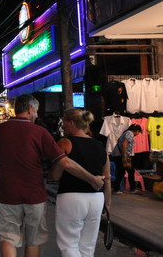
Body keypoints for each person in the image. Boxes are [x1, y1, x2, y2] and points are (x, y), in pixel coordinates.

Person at [0, 94, 105, 257]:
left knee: (8, 237)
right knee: (34, 239)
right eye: (36, 111)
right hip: (35, 195)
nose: (36, 115)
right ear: (29, 109)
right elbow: (65, 163)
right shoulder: (40, 132)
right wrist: (92, 179)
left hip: (8, 194)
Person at [48, 108, 111, 257]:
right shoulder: (100, 145)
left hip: (71, 196)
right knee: (88, 246)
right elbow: (107, 178)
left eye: (64, 123)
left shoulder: (65, 143)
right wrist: (107, 205)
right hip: (96, 199)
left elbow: (56, 175)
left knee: (69, 244)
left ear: (71, 124)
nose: (63, 126)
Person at [111, 124, 143, 195]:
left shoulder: (127, 133)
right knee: (122, 171)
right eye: (138, 132)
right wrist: (124, 157)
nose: (137, 134)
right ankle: (117, 189)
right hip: (121, 155)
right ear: (137, 131)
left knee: (130, 171)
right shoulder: (130, 133)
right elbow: (124, 144)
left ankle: (132, 188)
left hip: (121, 155)